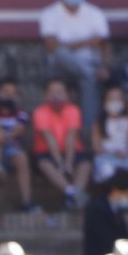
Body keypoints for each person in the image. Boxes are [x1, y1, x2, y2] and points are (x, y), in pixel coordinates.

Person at [39, 0, 110, 133]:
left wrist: (105, 67)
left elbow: (104, 44)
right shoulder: (49, 13)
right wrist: (87, 42)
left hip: (89, 63)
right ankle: (89, 73)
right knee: (62, 54)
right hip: (60, 67)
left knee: (87, 81)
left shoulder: (95, 13)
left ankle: (87, 134)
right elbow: (51, 46)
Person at [32, 78, 92, 210]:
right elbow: (49, 138)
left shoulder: (73, 110)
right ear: (45, 95)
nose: (56, 95)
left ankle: (76, 194)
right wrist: (59, 162)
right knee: (44, 163)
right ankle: (70, 192)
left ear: (67, 95)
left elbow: (71, 136)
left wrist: (69, 162)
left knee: (85, 164)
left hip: (72, 150)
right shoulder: (40, 112)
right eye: (52, 92)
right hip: (46, 151)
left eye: (59, 91)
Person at [0, 78, 35, 211]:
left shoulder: (21, 113)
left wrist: (3, 136)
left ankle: (27, 201)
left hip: (10, 149)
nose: (8, 95)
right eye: (5, 91)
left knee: (22, 158)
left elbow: (19, 131)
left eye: (12, 92)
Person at [91, 85, 128, 184]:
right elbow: (96, 147)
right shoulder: (99, 123)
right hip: (105, 157)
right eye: (111, 99)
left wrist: (126, 153)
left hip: (124, 157)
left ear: (123, 102)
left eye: (118, 98)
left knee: (127, 169)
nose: (115, 102)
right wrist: (112, 153)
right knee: (106, 170)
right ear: (105, 102)